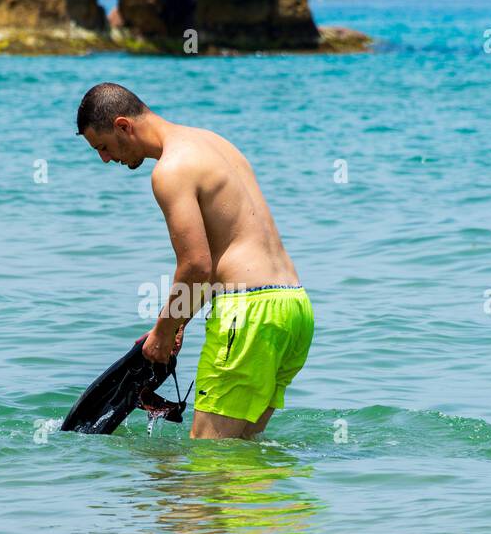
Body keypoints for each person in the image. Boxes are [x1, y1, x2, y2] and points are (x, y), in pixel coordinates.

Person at [76, 82, 313, 440]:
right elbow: (227, 248)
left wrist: (162, 333)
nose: (106, 159)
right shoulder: (213, 143)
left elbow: (196, 266)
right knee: (241, 461)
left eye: (104, 147)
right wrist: (181, 321)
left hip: (247, 314)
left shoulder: (170, 170)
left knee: (207, 462)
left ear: (124, 125)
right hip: (292, 308)